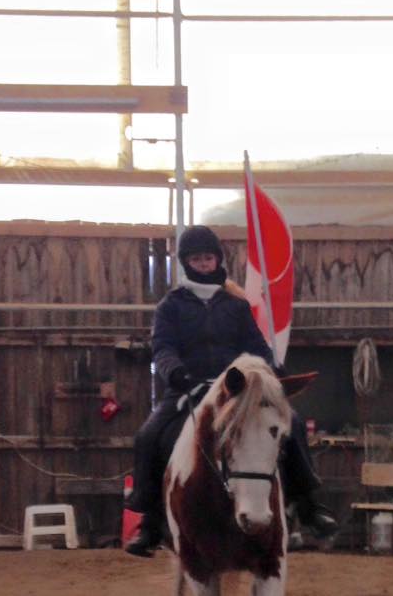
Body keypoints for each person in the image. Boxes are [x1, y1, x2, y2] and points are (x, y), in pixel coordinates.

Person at [125, 224, 337, 557]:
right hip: (189, 386)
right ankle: (150, 522)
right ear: (186, 262)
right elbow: (162, 347)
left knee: (292, 422)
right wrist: (174, 372)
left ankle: (308, 505)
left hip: (236, 388)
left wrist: (271, 366)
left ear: (217, 260)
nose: (204, 264)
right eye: (197, 259)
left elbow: (255, 344)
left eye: (208, 258)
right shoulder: (171, 305)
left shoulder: (235, 305)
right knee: (148, 436)